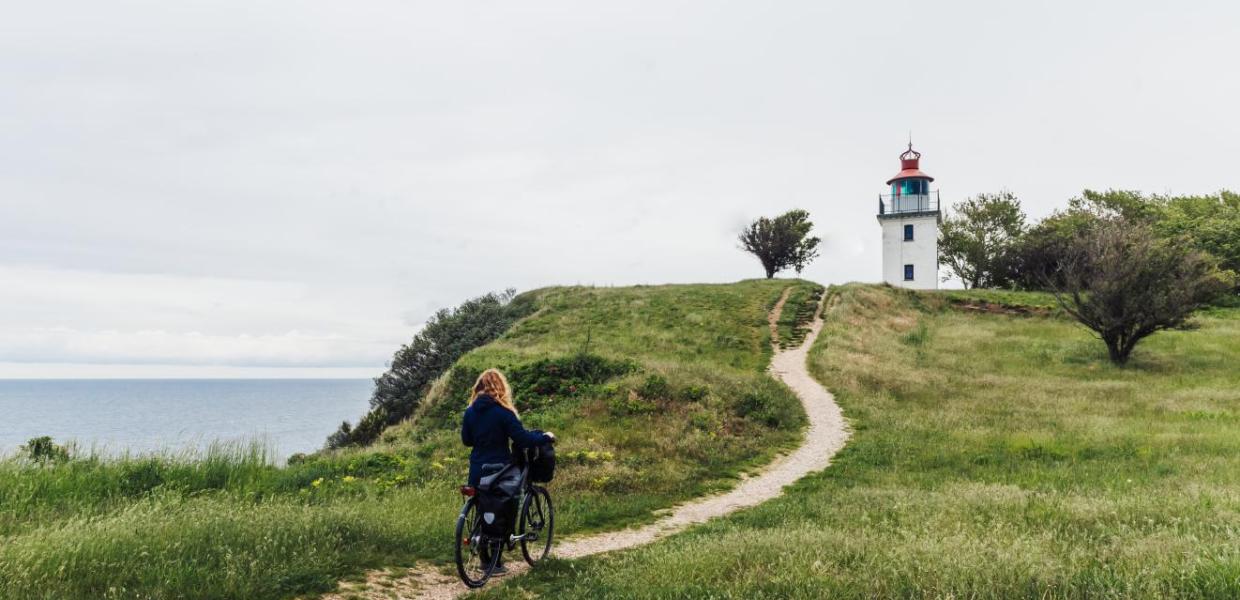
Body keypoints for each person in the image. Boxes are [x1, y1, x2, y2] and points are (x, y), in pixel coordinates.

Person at [461, 368, 554, 575]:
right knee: (501, 510)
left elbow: (467, 441)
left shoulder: (470, 411)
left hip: (477, 468)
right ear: (500, 387)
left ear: (479, 387)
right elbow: (523, 439)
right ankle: (494, 562)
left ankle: (485, 559)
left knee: (482, 508)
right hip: (499, 470)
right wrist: (546, 437)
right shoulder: (504, 412)